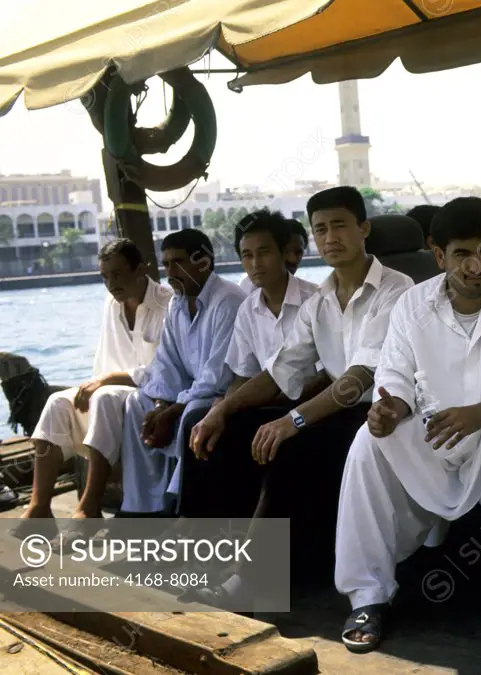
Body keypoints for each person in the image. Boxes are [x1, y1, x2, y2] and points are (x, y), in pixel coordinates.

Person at [334, 197, 481, 665]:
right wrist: (390, 407)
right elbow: (394, 373)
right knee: (367, 442)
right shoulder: (412, 304)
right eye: (462, 254)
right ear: (439, 256)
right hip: (439, 438)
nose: (478, 266)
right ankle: (368, 595)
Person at [184, 187, 413, 604]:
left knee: (293, 442)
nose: (330, 237)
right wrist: (222, 408)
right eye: (321, 229)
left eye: (340, 225)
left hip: (386, 417)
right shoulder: (320, 302)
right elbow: (280, 373)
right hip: (337, 415)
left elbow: (359, 377)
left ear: (364, 228)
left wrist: (294, 420)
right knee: (225, 431)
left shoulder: (398, 290)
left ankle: (251, 584)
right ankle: (212, 560)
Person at [15, 239, 172, 538]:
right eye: (105, 277)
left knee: (105, 399)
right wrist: (95, 384)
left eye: (117, 274)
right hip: (112, 390)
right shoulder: (111, 306)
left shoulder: (168, 303)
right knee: (58, 403)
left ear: (140, 269)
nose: (111, 284)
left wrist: (106, 381)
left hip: (152, 394)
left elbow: (163, 371)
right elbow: (104, 359)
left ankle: (90, 507)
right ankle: (39, 507)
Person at [118, 229, 247, 515]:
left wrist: (172, 410)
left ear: (203, 262)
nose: (169, 272)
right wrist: (161, 404)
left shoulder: (228, 300)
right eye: (165, 265)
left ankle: (182, 504)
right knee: (137, 404)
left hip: (222, 395)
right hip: (188, 393)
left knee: (193, 413)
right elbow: (167, 362)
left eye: (178, 262)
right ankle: (142, 507)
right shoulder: (177, 302)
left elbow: (218, 378)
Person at [223, 210, 319, 397]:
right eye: (247, 255)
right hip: (265, 405)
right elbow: (243, 376)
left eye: (263, 253)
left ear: (284, 253)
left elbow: (326, 375)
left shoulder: (316, 300)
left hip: (312, 407)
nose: (255, 263)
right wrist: (223, 408)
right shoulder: (247, 310)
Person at [238, 217, 308, 294]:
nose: (293, 259)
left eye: (298, 252)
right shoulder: (246, 294)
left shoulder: (314, 297)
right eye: (287, 251)